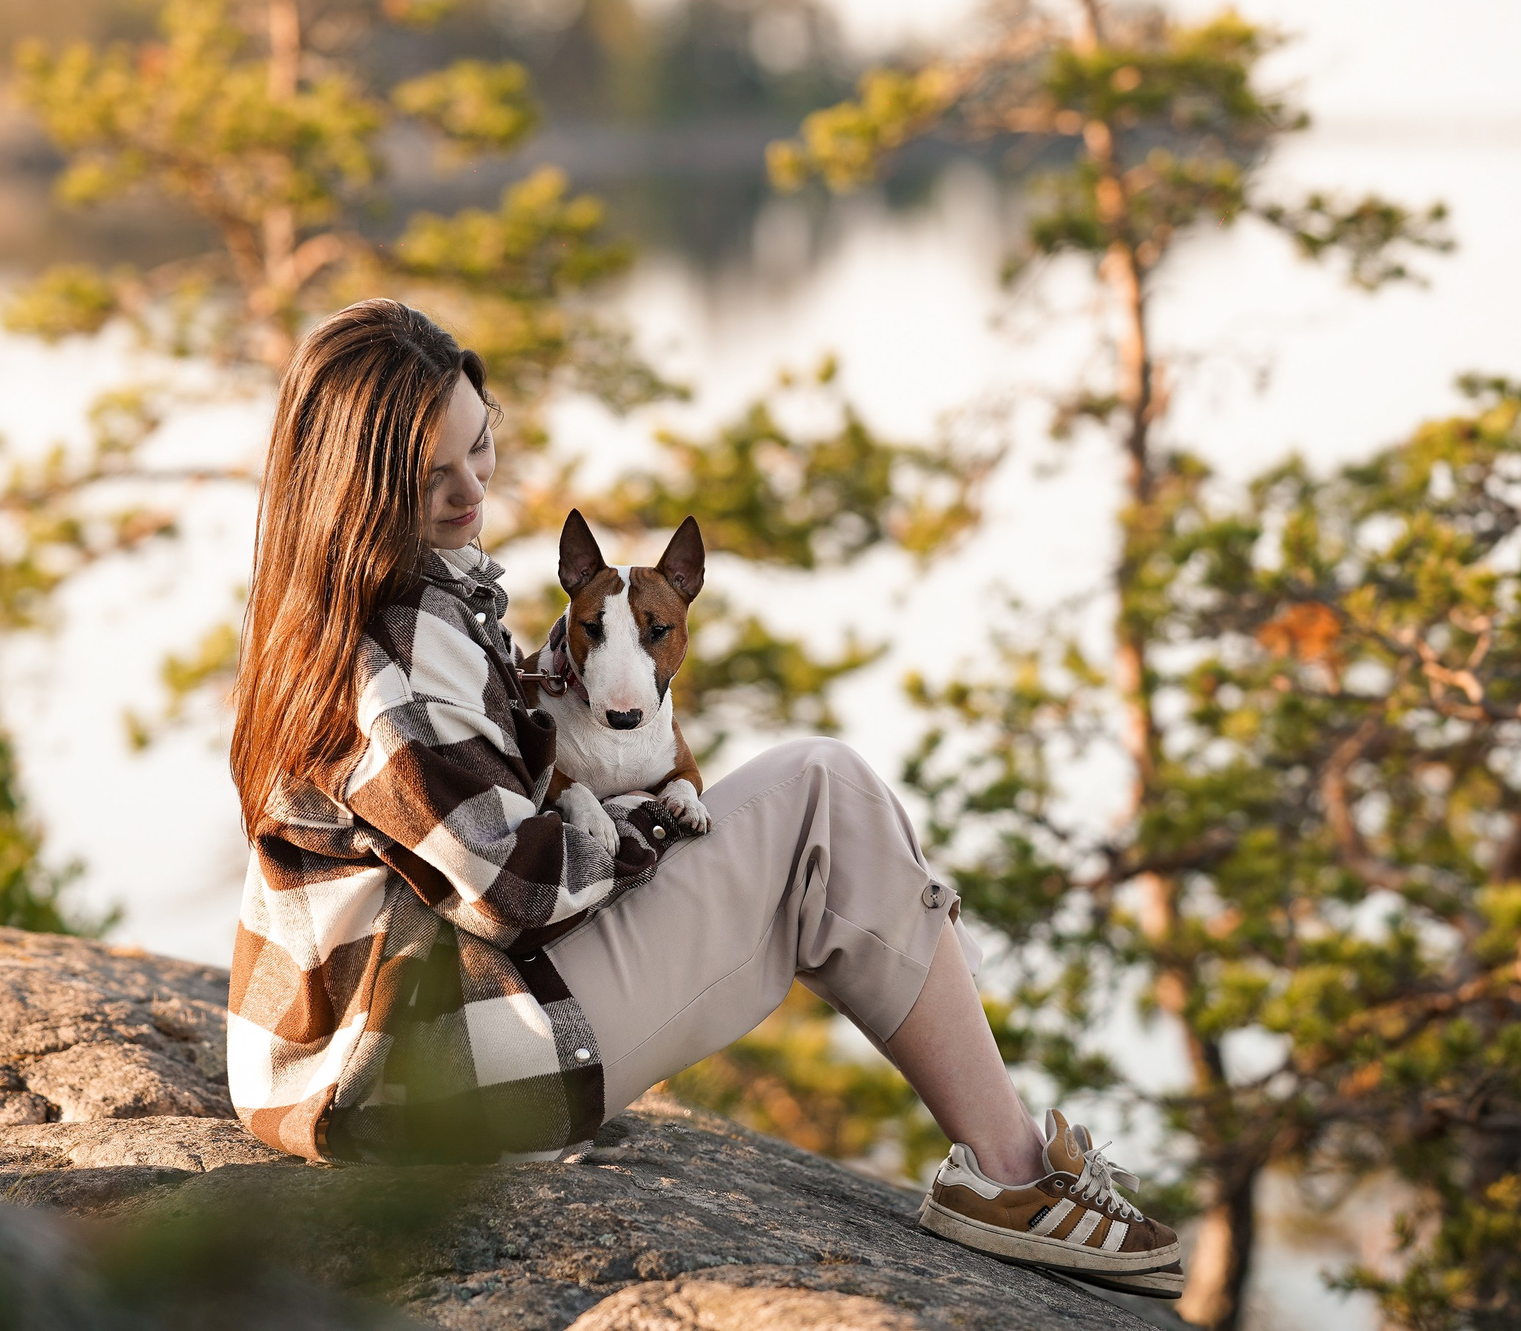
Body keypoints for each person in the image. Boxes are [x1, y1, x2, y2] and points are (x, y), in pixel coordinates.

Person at [223, 300, 1185, 1298]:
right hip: (417, 1077)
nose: (472, 488)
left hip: (344, 1057)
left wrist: (553, 706)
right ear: (361, 483)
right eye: (433, 476)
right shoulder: (404, 640)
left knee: (814, 808)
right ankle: (1012, 1173)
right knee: (819, 796)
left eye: (480, 446)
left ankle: (1003, 1143)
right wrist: (653, 822)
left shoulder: (340, 606)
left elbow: (468, 816)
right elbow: (513, 889)